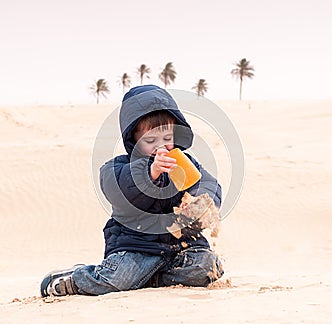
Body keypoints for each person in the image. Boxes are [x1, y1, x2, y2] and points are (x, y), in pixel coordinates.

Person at [41, 85, 224, 297]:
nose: (160, 147)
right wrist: (151, 172)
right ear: (134, 140)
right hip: (137, 248)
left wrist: (203, 204)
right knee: (119, 278)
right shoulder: (119, 167)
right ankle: (77, 279)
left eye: (167, 138)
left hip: (179, 248)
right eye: (150, 141)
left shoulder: (186, 163)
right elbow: (119, 189)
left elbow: (210, 186)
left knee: (205, 267)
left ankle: (154, 278)